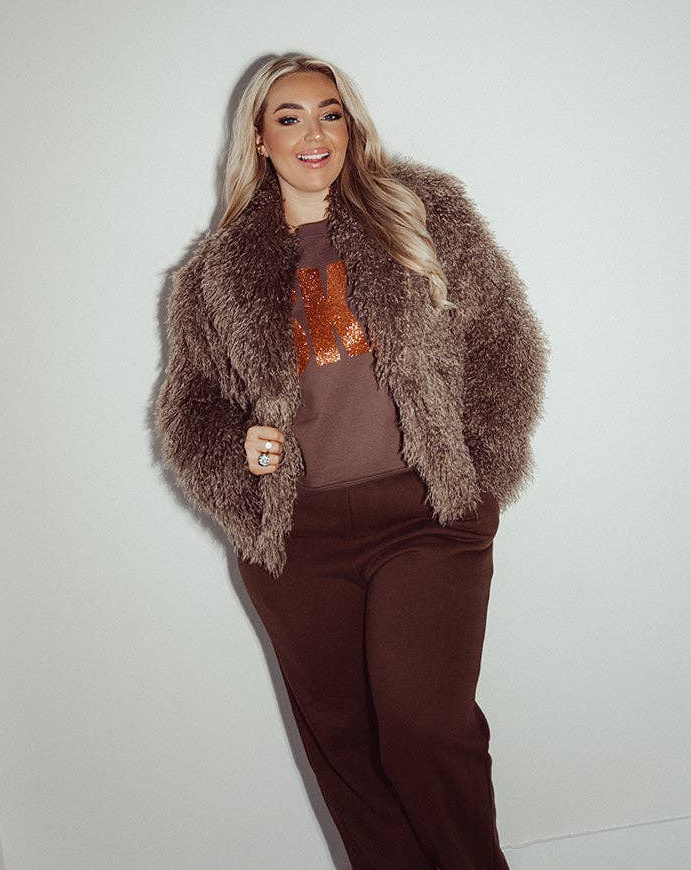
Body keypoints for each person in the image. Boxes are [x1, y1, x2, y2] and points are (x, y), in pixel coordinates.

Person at [154, 52, 550, 869]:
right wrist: (238, 451)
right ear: (258, 139)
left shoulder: (422, 213)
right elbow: (190, 408)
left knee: (424, 730)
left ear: (350, 125)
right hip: (297, 542)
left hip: (424, 519)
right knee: (347, 751)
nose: (314, 132)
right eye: (289, 117)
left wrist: (473, 476)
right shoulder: (212, 274)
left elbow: (504, 343)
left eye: (329, 113)